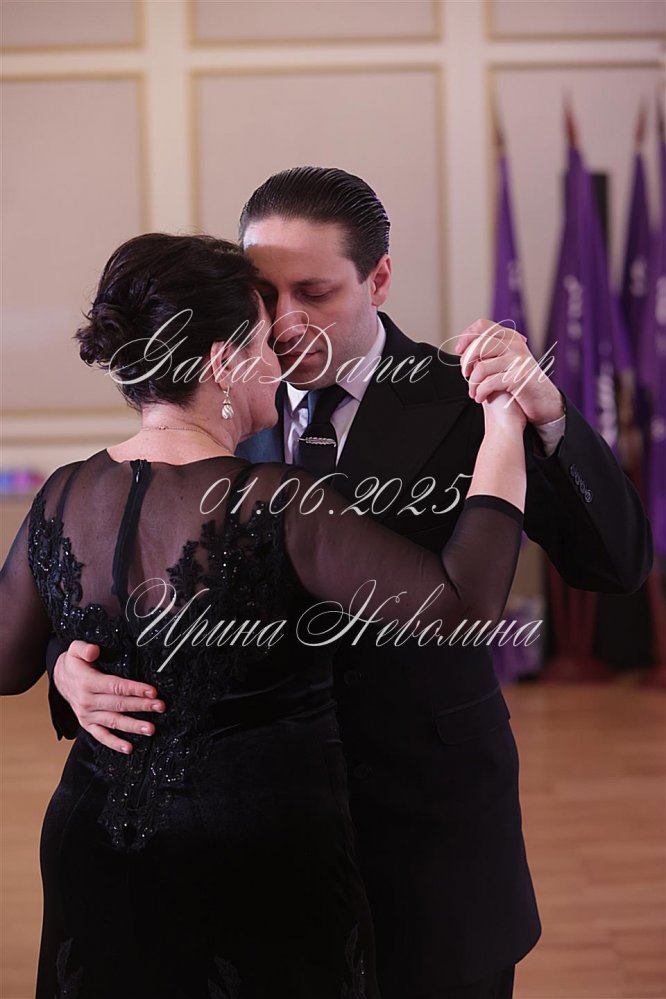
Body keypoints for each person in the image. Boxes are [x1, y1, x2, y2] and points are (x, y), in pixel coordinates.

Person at [43, 169, 654, 999]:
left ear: (379, 278)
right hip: (259, 863)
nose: (283, 321)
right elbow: (125, 572)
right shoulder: (213, 409)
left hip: (428, 836)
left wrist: (548, 417)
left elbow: (618, 562)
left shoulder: (470, 400)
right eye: (265, 294)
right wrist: (70, 665)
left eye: (315, 292)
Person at [0, 232, 532, 999]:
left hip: (93, 845)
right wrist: (505, 425)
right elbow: (461, 602)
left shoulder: (62, 493)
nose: (276, 361)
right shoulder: (276, 502)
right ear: (222, 361)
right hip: (258, 868)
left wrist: (64, 661)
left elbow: (6, 658)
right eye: (259, 341)